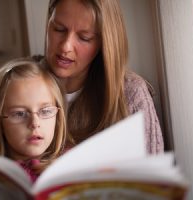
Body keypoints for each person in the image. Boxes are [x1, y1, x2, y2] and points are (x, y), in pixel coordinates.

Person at [42, 0, 164, 153]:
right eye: (59, 29)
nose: (66, 46)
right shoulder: (19, 84)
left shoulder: (130, 94)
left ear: (104, 43)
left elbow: (149, 173)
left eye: (84, 37)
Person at [0, 58, 70, 182]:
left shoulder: (71, 163)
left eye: (45, 111)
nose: (34, 123)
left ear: (58, 117)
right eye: (20, 113)